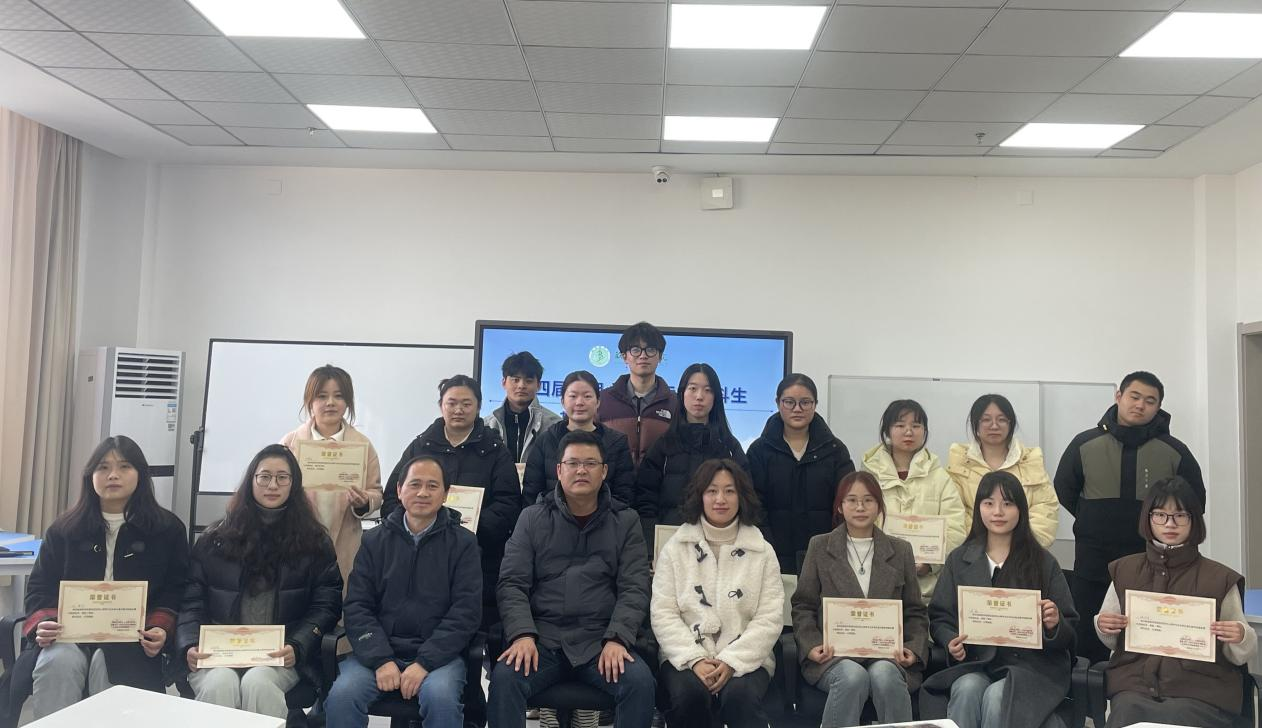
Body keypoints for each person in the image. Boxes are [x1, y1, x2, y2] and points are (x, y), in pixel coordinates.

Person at [12, 436, 189, 720]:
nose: (113, 475)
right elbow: (39, 588)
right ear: (90, 476)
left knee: (107, 663)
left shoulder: (167, 529)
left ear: (141, 474)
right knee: (57, 662)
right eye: (103, 467)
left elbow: (175, 588)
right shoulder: (64, 530)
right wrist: (44, 623)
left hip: (131, 638)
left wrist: (160, 628)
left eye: (124, 466)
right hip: (68, 635)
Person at [489, 430, 655, 728]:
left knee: (639, 682)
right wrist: (522, 634)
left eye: (590, 463)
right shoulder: (532, 518)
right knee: (505, 678)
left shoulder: (626, 521)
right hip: (542, 639)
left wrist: (618, 638)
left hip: (601, 640)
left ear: (604, 471)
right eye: (573, 463)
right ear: (558, 470)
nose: (581, 470)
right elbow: (512, 583)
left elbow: (635, 587)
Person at [177, 444, 342, 718]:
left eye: (282, 477)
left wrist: (298, 645)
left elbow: (326, 605)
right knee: (219, 683)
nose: (272, 485)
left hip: (280, 653)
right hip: (219, 652)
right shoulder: (215, 539)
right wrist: (189, 644)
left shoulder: (315, 542)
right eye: (264, 476)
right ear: (251, 481)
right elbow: (191, 602)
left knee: (258, 683)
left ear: (294, 484)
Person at [1055, 371, 1205, 664]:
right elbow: (1064, 489)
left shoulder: (1175, 451)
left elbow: (1194, 501)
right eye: (1134, 397)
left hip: (1153, 563)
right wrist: (1093, 519)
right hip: (1093, 560)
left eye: (1150, 401)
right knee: (1089, 637)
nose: (1140, 405)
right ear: (1119, 396)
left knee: (1148, 639)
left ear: (1158, 407)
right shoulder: (1084, 443)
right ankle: (1089, 693)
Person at [325, 455, 482, 728]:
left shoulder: (464, 544)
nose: (422, 493)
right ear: (399, 490)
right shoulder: (374, 541)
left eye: (432, 486)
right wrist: (381, 660)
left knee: (441, 698)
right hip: (380, 651)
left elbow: (465, 613)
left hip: (438, 658)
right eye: (415, 484)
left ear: (446, 494)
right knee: (343, 695)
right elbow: (358, 606)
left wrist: (425, 662)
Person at [1095, 476, 1254, 728]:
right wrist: (1104, 626)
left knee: (1179, 714)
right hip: (1135, 685)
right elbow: (1111, 638)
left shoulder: (1220, 578)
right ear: (1148, 518)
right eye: (1160, 515)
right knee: (1127, 712)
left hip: (1201, 691)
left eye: (1180, 515)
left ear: (1194, 520)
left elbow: (1240, 652)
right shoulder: (1124, 570)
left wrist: (1240, 636)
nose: (1170, 524)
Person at [925, 471, 1078, 728]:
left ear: (1021, 510)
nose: (998, 512)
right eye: (989, 503)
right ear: (978, 508)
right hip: (976, 661)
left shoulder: (1042, 561)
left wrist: (1054, 623)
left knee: (999, 697)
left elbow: (1070, 626)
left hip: (1031, 667)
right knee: (966, 689)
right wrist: (950, 640)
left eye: (1007, 504)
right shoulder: (959, 559)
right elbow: (940, 616)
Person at [650, 459, 783, 728]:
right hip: (685, 655)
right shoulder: (676, 548)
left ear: (741, 496)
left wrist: (732, 661)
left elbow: (770, 617)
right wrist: (695, 658)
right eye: (712, 491)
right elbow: (663, 613)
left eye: (729, 491)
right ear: (700, 496)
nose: (720, 499)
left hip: (747, 656)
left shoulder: (762, 550)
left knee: (739, 697)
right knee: (690, 696)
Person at [791, 471, 928, 727]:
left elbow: (915, 611)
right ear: (839, 506)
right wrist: (812, 645)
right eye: (851, 500)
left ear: (879, 505)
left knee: (885, 675)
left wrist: (913, 649)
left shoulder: (901, 550)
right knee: (852, 676)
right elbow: (803, 605)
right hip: (833, 656)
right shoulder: (820, 546)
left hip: (888, 655)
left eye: (868, 500)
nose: (860, 507)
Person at [382, 375, 519, 617]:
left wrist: (468, 530)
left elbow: (508, 505)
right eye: (451, 403)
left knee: (464, 617)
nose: (458, 410)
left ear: (478, 406)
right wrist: (418, 527)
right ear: (441, 406)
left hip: (477, 555)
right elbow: (394, 498)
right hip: (417, 553)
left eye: (466, 404)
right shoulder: (420, 446)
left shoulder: (496, 450)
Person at [280, 364, 383, 589]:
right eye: (322, 396)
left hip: (344, 545)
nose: (330, 402)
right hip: (295, 544)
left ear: (348, 402)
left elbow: (376, 492)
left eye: (339, 396)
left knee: (337, 599)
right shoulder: (290, 443)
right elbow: (275, 489)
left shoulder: (362, 445)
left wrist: (364, 502)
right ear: (309, 400)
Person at [748, 373, 855, 573]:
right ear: (778, 403)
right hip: (771, 557)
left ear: (815, 404)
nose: (797, 409)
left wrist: (835, 547)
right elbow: (753, 505)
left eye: (805, 402)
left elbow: (846, 503)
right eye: (789, 402)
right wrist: (767, 547)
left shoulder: (835, 450)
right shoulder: (759, 451)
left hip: (826, 557)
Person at [862, 399, 967, 601]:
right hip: (877, 584)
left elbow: (955, 528)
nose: (908, 432)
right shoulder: (869, 476)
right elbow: (858, 524)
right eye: (900, 425)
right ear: (887, 431)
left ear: (925, 432)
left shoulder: (940, 477)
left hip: (927, 591)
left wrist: (930, 564)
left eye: (916, 426)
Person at [635, 363, 749, 545]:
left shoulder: (729, 447)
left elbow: (745, 498)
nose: (699, 396)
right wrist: (651, 545)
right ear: (682, 394)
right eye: (693, 389)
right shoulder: (663, 445)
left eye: (708, 390)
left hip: (720, 545)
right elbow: (645, 500)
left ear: (716, 397)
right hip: (670, 543)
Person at [946, 394, 1058, 548]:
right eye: (986, 420)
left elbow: (1045, 508)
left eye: (1001, 419)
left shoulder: (1030, 461)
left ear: (1010, 424)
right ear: (975, 425)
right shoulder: (959, 462)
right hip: (972, 551)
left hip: (1022, 551)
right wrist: (982, 547)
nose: (994, 426)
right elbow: (954, 511)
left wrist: (1018, 545)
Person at [522, 370, 635, 507]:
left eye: (587, 396)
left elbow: (624, 494)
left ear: (598, 402)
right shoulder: (546, 440)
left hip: (604, 518)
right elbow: (532, 493)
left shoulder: (616, 442)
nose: (580, 402)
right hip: (551, 517)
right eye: (573, 396)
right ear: (562, 402)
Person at [597, 321, 679, 467]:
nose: (643, 356)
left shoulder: (675, 403)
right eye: (635, 350)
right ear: (624, 357)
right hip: (614, 480)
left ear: (660, 356)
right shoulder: (603, 401)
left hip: (658, 481)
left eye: (650, 350)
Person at [484, 351, 562, 465]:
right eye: (515, 380)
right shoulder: (487, 425)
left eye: (528, 381)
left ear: (538, 385)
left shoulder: (554, 425)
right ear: (504, 383)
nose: (521, 386)